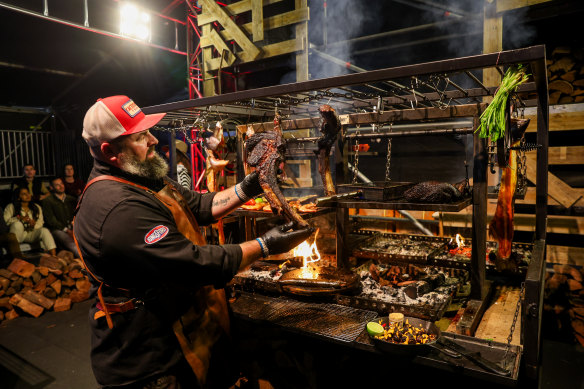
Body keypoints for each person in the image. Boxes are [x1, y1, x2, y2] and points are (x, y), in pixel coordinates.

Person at [73, 95, 313, 389]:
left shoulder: (141, 177)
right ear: (110, 151)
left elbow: (199, 206)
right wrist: (266, 245)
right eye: (140, 137)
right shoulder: (118, 208)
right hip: (148, 361)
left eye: (148, 131)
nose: (153, 141)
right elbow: (193, 263)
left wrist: (251, 185)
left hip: (178, 330)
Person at [3, 187, 56, 256]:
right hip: (18, 235)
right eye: (24, 194)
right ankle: (16, 253)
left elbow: (40, 222)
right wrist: (19, 218)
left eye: (28, 193)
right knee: (17, 224)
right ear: (18, 197)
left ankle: (54, 256)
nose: (28, 195)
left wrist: (33, 225)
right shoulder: (11, 206)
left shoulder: (36, 207)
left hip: (30, 233)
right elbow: (6, 222)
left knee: (44, 230)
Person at [42, 177, 79, 257]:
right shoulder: (47, 201)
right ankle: (86, 261)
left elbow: (77, 215)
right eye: (57, 185)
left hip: (73, 227)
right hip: (58, 229)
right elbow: (51, 220)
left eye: (61, 184)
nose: (61, 186)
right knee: (71, 244)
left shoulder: (71, 199)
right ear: (52, 187)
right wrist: (67, 230)